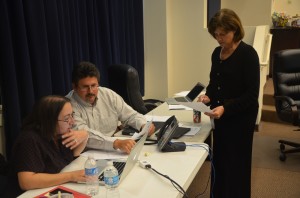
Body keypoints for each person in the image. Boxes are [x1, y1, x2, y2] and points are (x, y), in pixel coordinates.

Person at [198, 9, 260, 198]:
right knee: (221, 163)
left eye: (223, 34)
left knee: (237, 166)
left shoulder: (248, 54)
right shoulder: (217, 53)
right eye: (215, 34)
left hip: (241, 118)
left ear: (235, 30)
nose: (219, 38)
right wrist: (207, 96)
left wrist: (226, 107)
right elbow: (214, 83)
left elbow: (251, 95)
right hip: (220, 116)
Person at [6, 95, 88, 197]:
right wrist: (71, 176)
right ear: (50, 120)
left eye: (72, 115)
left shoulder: (58, 133)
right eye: (67, 118)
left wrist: (85, 135)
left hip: (53, 189)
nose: (72, 122)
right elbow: (26, 182)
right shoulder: (29, 140)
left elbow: (75, 154)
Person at [66, 61, 155, 154]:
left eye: (94, 85)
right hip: (87, 154)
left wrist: (144, 125)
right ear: (75, 87)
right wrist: (116, 143)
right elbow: (85, 136)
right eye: (85, 87)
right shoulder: (68, 106)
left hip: (114, 149)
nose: (91, 91)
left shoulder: (108, 95)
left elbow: (130, 115)